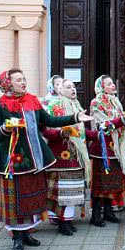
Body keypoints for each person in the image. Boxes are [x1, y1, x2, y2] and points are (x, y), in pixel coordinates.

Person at [0, 69, 91, 250]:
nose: (23, 82)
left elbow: (50, 121)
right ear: (7, 83)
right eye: (18, 80)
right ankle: (17, 238)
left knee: (32, 198)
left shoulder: (33, 102)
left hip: (35, 161)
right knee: (15, 200)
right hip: (12, 164)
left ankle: (27, 233)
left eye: (23, 79)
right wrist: (5, 128)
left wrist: (75, 117)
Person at [42, 78, 97, 235]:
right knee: (62, 191)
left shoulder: (76, 106)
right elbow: (47, 130)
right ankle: (61, 222)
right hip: (60, 156)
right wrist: (61, 133)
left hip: (76, 155)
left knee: (73, 189)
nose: (73, 89)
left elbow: (80, 131)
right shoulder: (54, 106)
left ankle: (68, 220)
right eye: (68, 87)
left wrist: (97, 134)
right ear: (60, 90)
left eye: (73, 87)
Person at [89, 75, 125, 226]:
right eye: (109, 84)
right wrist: (122, 120)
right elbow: (103, 124)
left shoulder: (115, 101)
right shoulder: (96, 102)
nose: (113, 85)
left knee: (113, 181)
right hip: (102, 148)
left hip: (116, 147)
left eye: (113, 83)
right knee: (101, 181)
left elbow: (119, 120)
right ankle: (96, 214)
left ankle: (108, 211)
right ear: (102, 87)